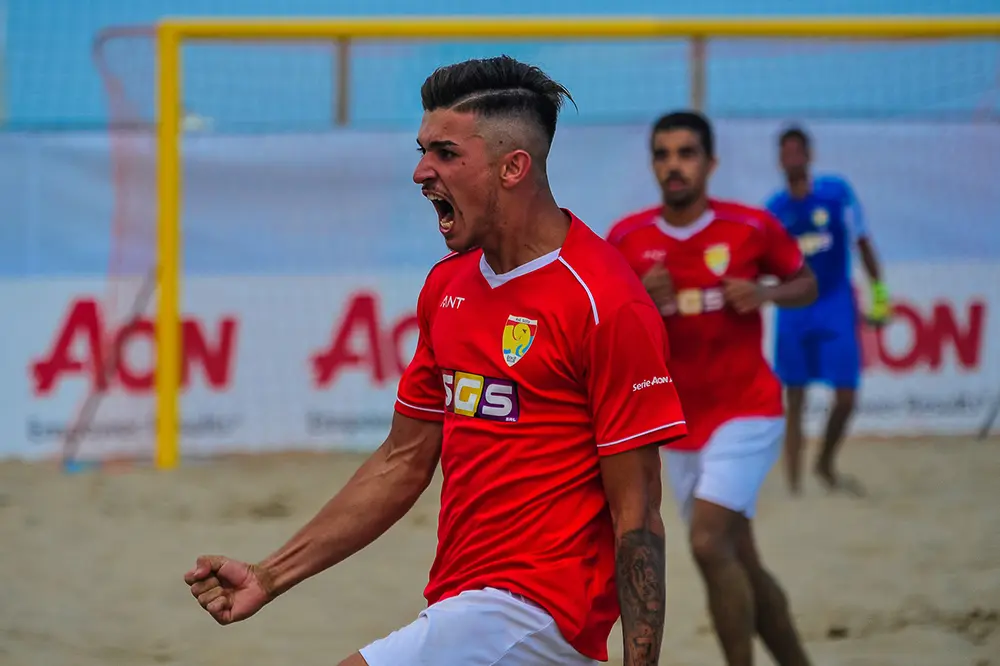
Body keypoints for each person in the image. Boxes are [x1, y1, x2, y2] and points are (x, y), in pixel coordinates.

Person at [182, 56, 689, 666]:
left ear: (512, 167)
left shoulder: (605, 301)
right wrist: (269, 576)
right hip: (462, 603)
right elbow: (402, 461)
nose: (422, 172)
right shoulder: (447, 287)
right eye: (422, 151)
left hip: (535, 618)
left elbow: (637, 516)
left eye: (446, 153)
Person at [606, 110, 817, 666]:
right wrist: (638, 302)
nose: (674, 166)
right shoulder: (627, 238)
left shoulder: (750, 227)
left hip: (747, 409)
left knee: (704, 543)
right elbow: (602, 329)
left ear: (710, 162)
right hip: (676, 426)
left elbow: (807, 283)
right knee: (737, 555)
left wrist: (766, 294)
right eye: (663, 154)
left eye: (686, 153)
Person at [765, 125, 890, 496]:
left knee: (847, 396)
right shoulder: (774, 209)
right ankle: (794, 486)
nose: (791, 159)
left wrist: (880, 293)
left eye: (797, 152)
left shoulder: (837, 194)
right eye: (785, 153)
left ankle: (824, 462)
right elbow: (760, 264)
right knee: (795, 396)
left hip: (835, 302)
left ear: (809, 155)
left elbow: (863, 242)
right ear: (780, 160)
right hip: (794, 309)